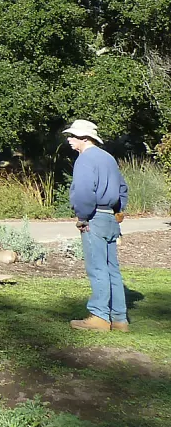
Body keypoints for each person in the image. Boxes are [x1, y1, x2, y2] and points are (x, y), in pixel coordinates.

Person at [63, 119, 130, 332]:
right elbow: (123, 188)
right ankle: (119, 319)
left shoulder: (85, 160)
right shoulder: (108, 158)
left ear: (84, 138)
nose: (69, 139)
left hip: (95, 217)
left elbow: (83, 192)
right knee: (113, 269)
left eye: (72, 136)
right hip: (110, 216)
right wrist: (118, 212)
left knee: (97, 267)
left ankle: (99, 316)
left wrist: (83, 217)